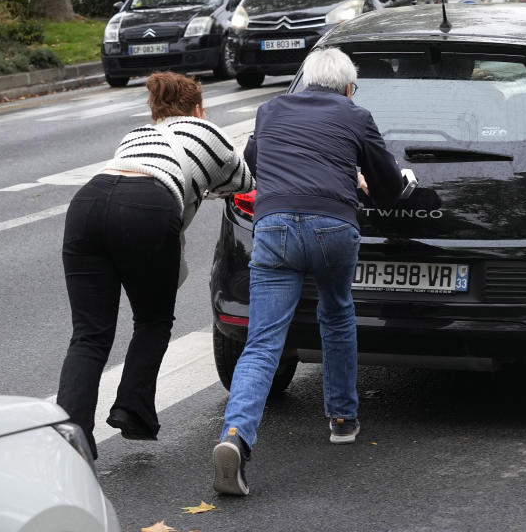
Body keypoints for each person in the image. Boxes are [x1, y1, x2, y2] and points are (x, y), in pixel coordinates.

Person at [212, 47, 404, 497]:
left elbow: (255, 167)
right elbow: (389, 186)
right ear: (347, 87)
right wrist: (357, 178)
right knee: (336, 313)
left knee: (262, 342)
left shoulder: (269, 111)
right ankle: (342, 418)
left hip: (274, 227)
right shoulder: (355, 115)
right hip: (333, 228)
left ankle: (235, 436)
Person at [57, 72, 254, 458]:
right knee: (152, 319)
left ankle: (70, 438)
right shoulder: (207, 132)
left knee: (89, 335)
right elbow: (245, 181)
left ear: (155, 109)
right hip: (147, 207)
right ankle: (133, 409)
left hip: (87, 204)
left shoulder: (135, 136)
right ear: (198, 108)